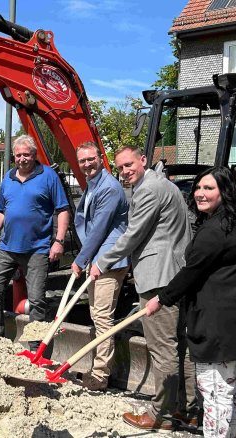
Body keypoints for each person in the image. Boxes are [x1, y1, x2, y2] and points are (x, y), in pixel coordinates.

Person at [145, 166, 236, 438]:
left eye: (208, 188)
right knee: (232, 389)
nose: (199, 194)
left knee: (215, 395)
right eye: (198, 188)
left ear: (224, 191)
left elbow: (190, 273)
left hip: (219, 326)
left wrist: (161, 298)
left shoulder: (214, 231)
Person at [90, 146, 196, 432]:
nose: (125, 171)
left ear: (143, 160)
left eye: (129, 164)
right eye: (120, 167)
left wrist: (102, 262)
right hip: (176, 273)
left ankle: (160, 415)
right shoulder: (167, 186)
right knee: (180, 347)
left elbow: (133, 234)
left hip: (159, 278)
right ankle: (188, 410)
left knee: (163, 349)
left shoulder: (149, 189)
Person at [0, 135, 69, 341]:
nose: (22, 158)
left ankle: (35, 346)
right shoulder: (9, 177)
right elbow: (0, 211)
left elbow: (63, 210)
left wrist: (59, 241)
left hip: (37, 249)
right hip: (7, 247)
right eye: (18, 155)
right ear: (14, 156)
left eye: (26, 154)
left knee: (37, 300)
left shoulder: (49, 176)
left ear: (34, 155)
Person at [70, 142, 129, 392]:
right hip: (97, 260)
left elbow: (100, 229)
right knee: (96, 314)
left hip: (109, 261)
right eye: (82, 161)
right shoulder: (92, 186)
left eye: (90, 159)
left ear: (100, 158)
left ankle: (101, 375)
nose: (86, 164)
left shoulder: (110, 188)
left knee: (102, 317)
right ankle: (101, 368)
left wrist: (81, 260)